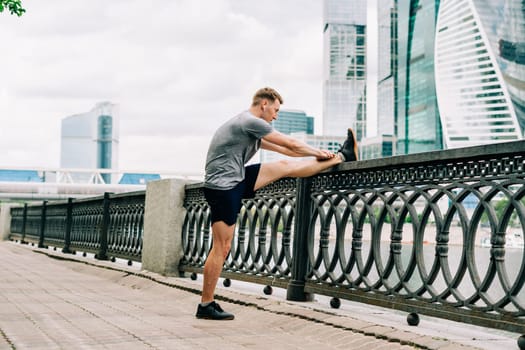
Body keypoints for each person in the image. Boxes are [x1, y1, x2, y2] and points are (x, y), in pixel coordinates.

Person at [195, 87, 358, 320]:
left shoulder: (249, 128)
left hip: (236, 178)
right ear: (264, 104)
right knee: (222, 246)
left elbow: (287, 152)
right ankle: (206, 305)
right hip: (223, 188)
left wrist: (325, 156)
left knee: (283, 167)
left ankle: (344, 156)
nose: (276, 115)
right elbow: (291, 143)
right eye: (275, 109)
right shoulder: (250, 121)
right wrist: (318, 152)